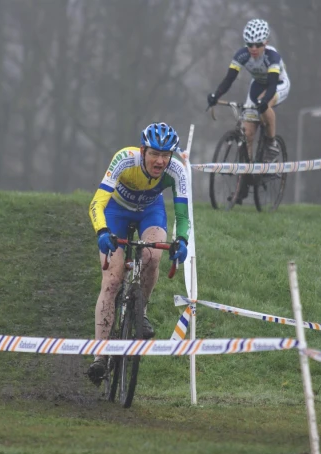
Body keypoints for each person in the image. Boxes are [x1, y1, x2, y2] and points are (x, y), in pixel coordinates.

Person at [86, 122, 190, 386]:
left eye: (166, 155)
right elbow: (97, 202)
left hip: (149, 211)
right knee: (111, 281)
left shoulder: (177, 170)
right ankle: (99, 356)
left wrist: (183, 240)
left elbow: (182, 213)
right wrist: (102, 231)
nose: (160, 160)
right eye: (155, 153)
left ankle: (140, 310)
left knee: (153, 256)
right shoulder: (125, 159)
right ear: (143, 150)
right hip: (116, 212)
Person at [206, 18, 291, 165]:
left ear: (266, 43)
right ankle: (247, 173)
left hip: (278, 84)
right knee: (248, 132)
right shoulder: (242, 55)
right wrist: (216, 95)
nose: (253, 48)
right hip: (257, 85)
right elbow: (229, 79)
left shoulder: (272, 57)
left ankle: (271, 144)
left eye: (258, 44)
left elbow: (271, 85)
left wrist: (264, 102)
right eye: (249, 44)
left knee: (265, 103)